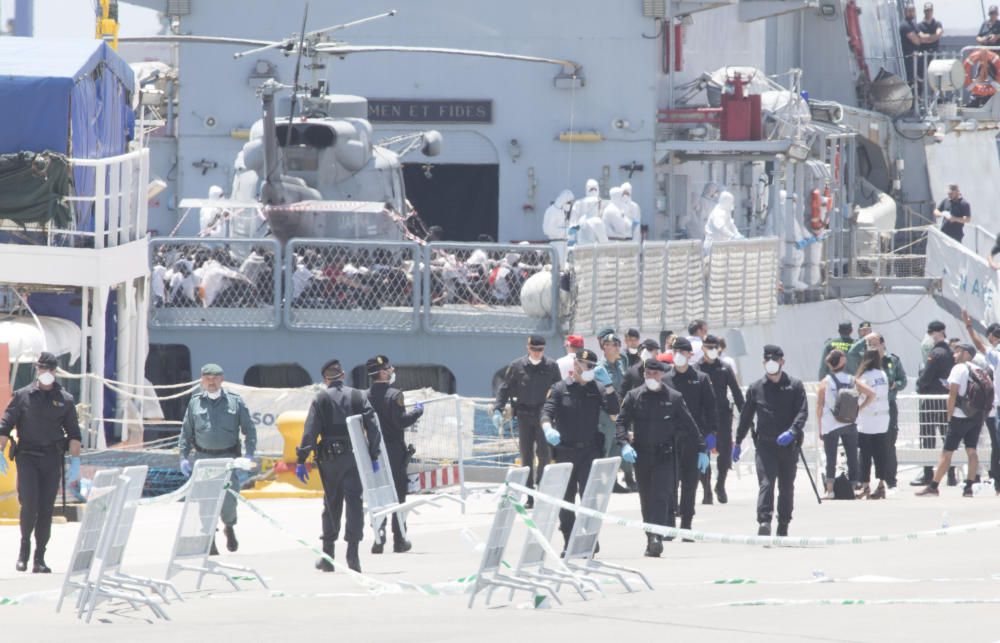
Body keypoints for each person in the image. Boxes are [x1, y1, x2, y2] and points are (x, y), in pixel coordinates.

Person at [296, 359, 381, 572]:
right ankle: (353, 556)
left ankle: (328, 556)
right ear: (342, 375)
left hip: (330, 460)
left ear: (325, 379)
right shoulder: (358, 395)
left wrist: (301, 459)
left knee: (331, 504)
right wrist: (373, 454)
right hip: (354, 457)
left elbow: (310, 431)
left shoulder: (320, 398)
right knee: (354, 503)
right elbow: (372, 425)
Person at [0, 352, 82, 573]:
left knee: (46, 509)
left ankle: (40, 557)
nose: (45, 373)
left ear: (55, 371)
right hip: (27, 457)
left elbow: (74, 433)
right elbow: (5, 425)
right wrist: (0, 451)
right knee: (29, 504)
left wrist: (75, 463)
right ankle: (24, 549)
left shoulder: (64, 399)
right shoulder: (23, 395)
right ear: (37, 370)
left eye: (49, 369)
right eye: (41, 369)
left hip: (51, 459)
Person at [615, 358, 705, 557]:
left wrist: (701, 449)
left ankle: (656, 536)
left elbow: (690, 425)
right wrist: (624, 445)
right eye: (648, 374)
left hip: (665, 454)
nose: (651, 377)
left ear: (662, 375)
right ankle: (651, 536)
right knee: (646, 497)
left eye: (655, 374)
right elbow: (621, 423)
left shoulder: (674, 397)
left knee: (661, 496)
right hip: (642, 454)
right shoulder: (633, 396)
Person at [541, 349, 619, 547]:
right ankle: (569, 539)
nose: (590, 370)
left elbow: (614, 412)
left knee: (589, 497)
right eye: (587, 366)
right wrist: (548, 428)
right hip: (565, 451)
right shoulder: (559, 388)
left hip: (589, 451)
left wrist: (609, 386)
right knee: (565, 500)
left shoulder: (597, 388)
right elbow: (547, 412)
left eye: (593, 366)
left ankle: (589, 538)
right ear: (576, 365)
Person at [178, 363, 257, 555]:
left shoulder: (235, 402)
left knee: (229, 501)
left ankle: (229, 526)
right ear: (202, 380)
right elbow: (186, 433)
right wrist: (183, 457)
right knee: (205, 502)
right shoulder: (195, 403)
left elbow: (250, 430)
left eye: (215, 378)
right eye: (207, 378)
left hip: (228, 460)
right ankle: (210, 538)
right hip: (204, 460)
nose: (211, 382)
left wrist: (248, 455)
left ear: (222, 379)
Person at [733, 345, 808, 536]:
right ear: (763, 362)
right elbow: (746, 417)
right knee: (766, 482)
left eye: (775, 360)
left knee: (786, 486)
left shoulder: (795, 385)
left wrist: (793, 431)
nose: (771, 363)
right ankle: (764, 521)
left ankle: (783, 524)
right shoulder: (756, 388)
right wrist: (738, 441)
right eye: (768, 360)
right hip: (765, 444)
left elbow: (802, 412)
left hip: (788, 445)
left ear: (782, 362)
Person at [493, 335, 562, 506]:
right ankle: (530, 495)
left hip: (544, 416)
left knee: (544, 454)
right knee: (526, 455)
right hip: (524, 415)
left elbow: (559, 390)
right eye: (534, 349)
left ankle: (542, 491)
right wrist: (497, 409)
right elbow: (505, 389)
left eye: (540, 350)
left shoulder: (552, 366)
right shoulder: (517, 366)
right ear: (528, 348)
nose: (537, 353)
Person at [366, 355, 423, 554]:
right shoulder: (395, 394)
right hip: (394, 452)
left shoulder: (364, 396)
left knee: (378, 496)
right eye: (388, 368)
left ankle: (378, 539)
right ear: (382, 372)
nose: (391, 371)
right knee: (398, 495)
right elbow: (400, 422)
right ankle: (399, 540)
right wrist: (417, 411)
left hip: (373, 453)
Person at [661, 338, 717, 535]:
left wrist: (710, 434)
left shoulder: (700, 379)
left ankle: (686, 523)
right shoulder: (665, 378)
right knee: (669, 481)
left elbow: (711, 408)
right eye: (675, 350)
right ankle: (668, 523)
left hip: (693, 438)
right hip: (669, 438)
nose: (678, 355)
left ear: (690, 355)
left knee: (690, 481)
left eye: (682, 351)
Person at [916, 343, 987, 497]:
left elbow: (953, 394)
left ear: (967, 353)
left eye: (958, 351)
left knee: (947, 453)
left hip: (959, 416)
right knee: (972, 450)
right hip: (975, 416)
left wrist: (949, 416)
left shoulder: (958, 369)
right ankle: (969, 487)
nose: (954, 355)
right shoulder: (978, 369)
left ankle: (933, 486)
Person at [816, 350, 874, 497]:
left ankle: (830, 490)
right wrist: (857, 409)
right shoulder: (851, 379)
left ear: (829, 364)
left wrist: (820, 427)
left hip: (830, 424)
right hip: (850, 423)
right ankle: (853, 488)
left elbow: (819, 406)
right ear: (843, 363)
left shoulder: (825, 382)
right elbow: (871, 394)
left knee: (831, 458)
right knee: (852, 456)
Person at [697, 334, 745, 504]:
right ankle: (707, 489)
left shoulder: (724, 368)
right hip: (703, 417)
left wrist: (745, 415)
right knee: (704, 452)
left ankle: (720, 484)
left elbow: (737, 393)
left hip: (723, 415)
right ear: (702, 348)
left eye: (714, 347)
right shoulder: (697, 369)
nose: (711, 350)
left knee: (724, 452)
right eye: (708, 347)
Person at [913, 320, 956, 486]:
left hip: (931, 400)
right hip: (947, 400)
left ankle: (928, 473)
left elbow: (926, 378)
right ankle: (951, 474)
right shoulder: (951, 353)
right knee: (948, 437)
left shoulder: (935, 353)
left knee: (928, 437)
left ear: (935, 333)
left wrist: (920, 385)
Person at [961, 312, 1000, 494]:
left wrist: (969, 327)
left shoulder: (997, 354)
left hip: (996, 409)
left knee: (997, 446)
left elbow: (980, 347)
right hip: (995, 408)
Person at [596, 333, 638, 492]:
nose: (610, 347)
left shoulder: (622, 363)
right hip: (606, 414)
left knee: (623, 444)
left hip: (622, 411)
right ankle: (608, 481)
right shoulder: (600, 367)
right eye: (607, 344)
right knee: (607, 447)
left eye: (614, 344)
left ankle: (629, 477)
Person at [855, 350, 891, 499]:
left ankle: (865, 485)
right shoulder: (882, 374)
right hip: (883, 420)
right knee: (880, 453)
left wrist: (859, 408)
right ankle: (881, 484)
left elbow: (868, 395)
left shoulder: (864, 376)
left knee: (865, 454)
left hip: (867, 420)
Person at [879, 336, 907, 489]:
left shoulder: (893, 360)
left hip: (889, 404)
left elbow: (903, 380)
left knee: (889, 443)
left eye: (876, 344)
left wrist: (895, 384)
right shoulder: (867, 360)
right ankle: (866, 479)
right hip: (872, 407)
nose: (873, 347)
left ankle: (890, 479)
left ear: (883, 344)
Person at [542, 189, 575, 262]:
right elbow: (547, 230)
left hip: (564, 244)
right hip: (556, 244)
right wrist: (567, 231)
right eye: (569, 202)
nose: (570, 205)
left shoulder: (563, 212)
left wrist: (573, 229)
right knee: (557, 268)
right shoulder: (551, 211)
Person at [900, 3, 922, 85]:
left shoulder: (914, 25)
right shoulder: (905, 25)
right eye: (909, 11)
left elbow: (921, 36)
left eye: (913, 11)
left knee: (918, 83)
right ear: (905, 12)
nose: (911, 13)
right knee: (910, 82)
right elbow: (917, 40)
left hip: (915, 59)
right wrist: (922, 38)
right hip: (908, 58)